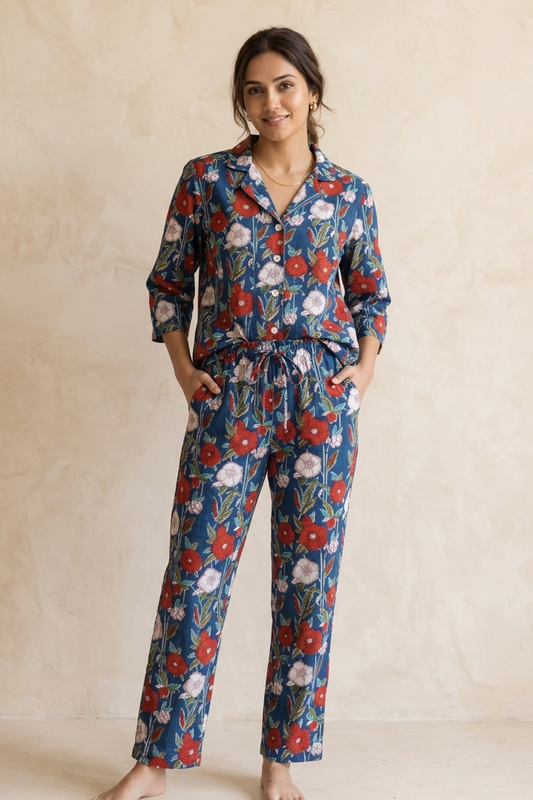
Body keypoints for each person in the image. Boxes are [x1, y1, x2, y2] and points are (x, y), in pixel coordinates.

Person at [93, 25, 390, 800]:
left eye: (284, 85)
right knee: (195, 573)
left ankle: (279, 761)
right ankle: (155, 761)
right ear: (241, 100)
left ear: (311, 91)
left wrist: (360, 373)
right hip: (228, 399)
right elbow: (167, 283)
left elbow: (371, 295)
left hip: (320, 407)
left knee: (306, 583)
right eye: (254, 89)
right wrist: (185, 370)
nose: (270, 102)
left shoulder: (348, 193)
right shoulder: (207, 181)